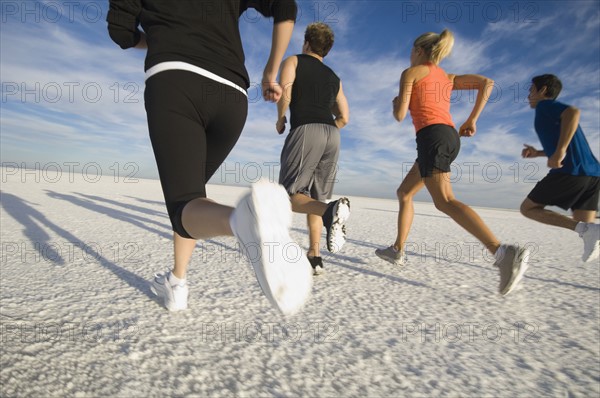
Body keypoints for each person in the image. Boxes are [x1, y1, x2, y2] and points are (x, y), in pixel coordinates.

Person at [107, 0, 312, 315]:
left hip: (175, 81)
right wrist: (271, 70)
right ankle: (177, 282)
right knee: (193, 195)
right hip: (231, 96)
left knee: (183, 204)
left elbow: (120, 32)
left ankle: (244, 220)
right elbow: (285, 5)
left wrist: (160, 38)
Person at [375, 29, 529, 296]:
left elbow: (400, 115)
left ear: (419, 51)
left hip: (432, 137)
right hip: (445, 136)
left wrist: (396, 102)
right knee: (405, 192)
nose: (409, 55)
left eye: (411, 50)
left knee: (444, 200)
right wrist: (472, 119)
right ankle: (398, 249)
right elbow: (487, 83)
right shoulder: (447, 77)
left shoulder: (411, 73)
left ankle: (503, 253)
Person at [275, 22, 350, 275]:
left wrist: (281, 117)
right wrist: (329, 130)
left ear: (306, 42)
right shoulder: (334, 78)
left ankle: (331, 212)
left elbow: (285, 91)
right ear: (326, 50)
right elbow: (345, 116)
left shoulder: (293, 61)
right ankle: (315, 256)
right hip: (332, 134)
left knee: (291, 195)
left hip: (306, 130)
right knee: (316, 198)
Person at [520, 74, 600, 263]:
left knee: (528, 208)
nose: (528, 96)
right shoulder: (549, 114)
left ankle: (588, 231)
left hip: (571, 171)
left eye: (531, 90)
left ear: (543, 91)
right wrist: (538, 153)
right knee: (587, 226)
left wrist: (560, 152)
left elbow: (573, 112)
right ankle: (589, 232)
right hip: (593, 175)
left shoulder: (544, 106)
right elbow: (559, 146)